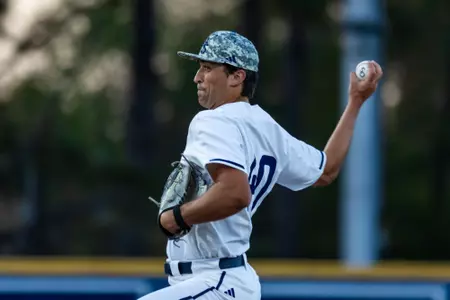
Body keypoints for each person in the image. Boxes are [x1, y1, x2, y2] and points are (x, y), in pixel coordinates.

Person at [139, 30, 383, 300]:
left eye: (207, 68)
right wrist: (356, 101)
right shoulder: (267, 128)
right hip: (226, 281)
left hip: (216, 281)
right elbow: (326, 170)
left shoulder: (213, 120)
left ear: (237, 76)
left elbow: (235, 193)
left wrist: (177, 217)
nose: (198, 77)